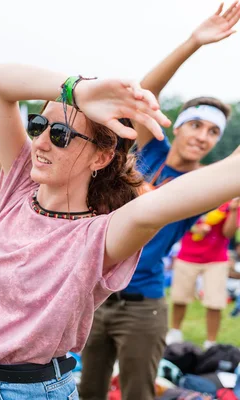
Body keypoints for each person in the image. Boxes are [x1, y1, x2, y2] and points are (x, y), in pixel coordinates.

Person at [0, 59, 240, 400]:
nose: (41, 142)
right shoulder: (20, 186)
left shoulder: (103, 234)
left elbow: (228, 174)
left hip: (26, 391)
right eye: (39, 125)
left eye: (60, 135)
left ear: (101, 157)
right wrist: (77, 89)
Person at [80, 5, 240, 399]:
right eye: (196, 124)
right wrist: (194, 42)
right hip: (92, 292)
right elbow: (144, 95)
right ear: (177, 124)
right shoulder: (148, 151)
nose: (203, 137)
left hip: (142, 303)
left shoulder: (203, 183)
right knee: (85, 389)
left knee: (138, 392)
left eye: (213, 132)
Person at [168, 199, 239, 348]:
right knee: (180, 297)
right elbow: (178, 219)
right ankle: (175, 333)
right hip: (187, 255)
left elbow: (228, 233)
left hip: (216, 259)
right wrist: (196, 229)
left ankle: (210, 343)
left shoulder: (230, 202)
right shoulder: (196, 194)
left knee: (215, 302)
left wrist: (233, 210)